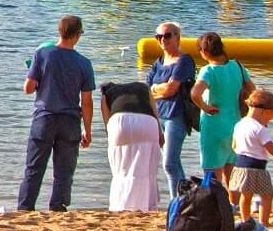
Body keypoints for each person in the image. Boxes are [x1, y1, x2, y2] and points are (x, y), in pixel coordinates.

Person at [18, 14, 95, 212]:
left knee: (34, 167)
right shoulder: (84, 63)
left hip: (44, 117)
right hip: (70, 121)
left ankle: (26, 208)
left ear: (59, 32)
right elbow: (86, 102)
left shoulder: (43, 54)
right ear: (78, 35)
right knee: (64, 171)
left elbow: (28, 88)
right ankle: (57, 207)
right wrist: (87, 130)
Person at [190, 31, 252, 185]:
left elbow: (195, 94)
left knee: (212, 171)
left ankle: (214, 205)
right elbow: (253, 91)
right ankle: (233, 205)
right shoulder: (237, 66)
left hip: (214, 125)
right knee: (231, 170)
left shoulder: (208, 70)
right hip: (235, 124)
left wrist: (205, 107)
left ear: (204, 51)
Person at [145, 22, 197, 200]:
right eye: (158, 36)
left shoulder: (185, 61)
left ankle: (177, 202)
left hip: (176, 116)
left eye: (167, 35)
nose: (162, 40)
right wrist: (158, 89)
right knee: (173, 163)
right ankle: (184, 199)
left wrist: (156, 89)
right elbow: (147, 88)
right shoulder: (158, 62)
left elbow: (171, 90)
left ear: (177, 37)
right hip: (158, 116)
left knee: (170, 163)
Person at [99, 77, 162, 211]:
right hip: (147, 122)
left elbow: (107, 122)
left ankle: (120, 205)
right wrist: (160, 135)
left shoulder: (106, 94)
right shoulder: (144, 88)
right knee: (148, 167)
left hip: (119, 122)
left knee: (120, 168)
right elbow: (155, 113)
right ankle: (147, 205)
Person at [229, 88, 273, 225]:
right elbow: (270, 148)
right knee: (267, 195)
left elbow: (233, 145)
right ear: (264, 111)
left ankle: (245, 220)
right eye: (271, 116)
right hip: (257, 167)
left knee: (245, 195)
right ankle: (264, 222)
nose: (269, 121)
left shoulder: (239, 124)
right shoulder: (260, 129)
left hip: (240, 166)